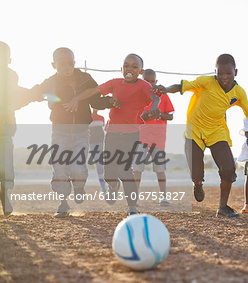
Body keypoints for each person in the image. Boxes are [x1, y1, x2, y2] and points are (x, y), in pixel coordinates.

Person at [154, 54, 248, 218]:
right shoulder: (205, 82)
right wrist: (166, 89)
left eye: (228, 74)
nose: (224, 77)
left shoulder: (238, 92)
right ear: (215, 71)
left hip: (216, 131)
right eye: (220, 73)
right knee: (196, 173)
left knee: (228, 168)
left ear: (236, 72)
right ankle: (197, 183)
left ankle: (223, 207)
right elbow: (182, 86)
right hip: (195, 131)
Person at [65, 53, 161, 216]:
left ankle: (132, 208)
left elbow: (155, 97)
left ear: (140, 70)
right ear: (121, 68)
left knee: (125, 171)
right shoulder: (115, 83)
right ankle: (113, 185)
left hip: (131, 135)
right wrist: (76, 98)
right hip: (111, 134)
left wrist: (154, 107)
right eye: (127, 66)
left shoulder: (143, 86)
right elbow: (93, 91)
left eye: (134, 67)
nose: (130, 69)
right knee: (109, 172)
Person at [26, 47, 115, 217]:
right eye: (62, 64)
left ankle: (79, 186)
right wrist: (22, 96)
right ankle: (63, 203)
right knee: (59, 167)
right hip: (60, 130)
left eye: (70, 63)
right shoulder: (52, 81)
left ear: (74, 63)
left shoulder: (85, 79)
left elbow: (96, 98)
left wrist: (110, 101)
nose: (66, 67)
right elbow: (37, 92)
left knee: (77, 167)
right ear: (54, 65)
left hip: (82, 130)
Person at [0, 41, 39, 215]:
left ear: (9, 59)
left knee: (6, 162)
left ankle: (5, 194)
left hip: (5, 127)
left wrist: (33, 95)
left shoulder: (11, 76)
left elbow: (16, 95)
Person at [134, 69, 174, 206]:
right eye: (146, 81)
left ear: (156, 82)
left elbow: (171, 115)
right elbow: (136, 117)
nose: (150, 84)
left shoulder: (163, 95)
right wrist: (145, 116)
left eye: (152, 81)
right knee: (137, 169)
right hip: (141, 138)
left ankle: (163, 197)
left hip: (158, 139)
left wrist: (158, 115)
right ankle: (135, 198)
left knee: (160, 169)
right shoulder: (139, 96)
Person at [89, 109, 107, 192]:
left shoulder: (101, 118)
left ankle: (103, 185)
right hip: (91, 143)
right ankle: (103, 185)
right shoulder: (88, 117)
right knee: (98, 164)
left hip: (101, 142)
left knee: (100, 164)